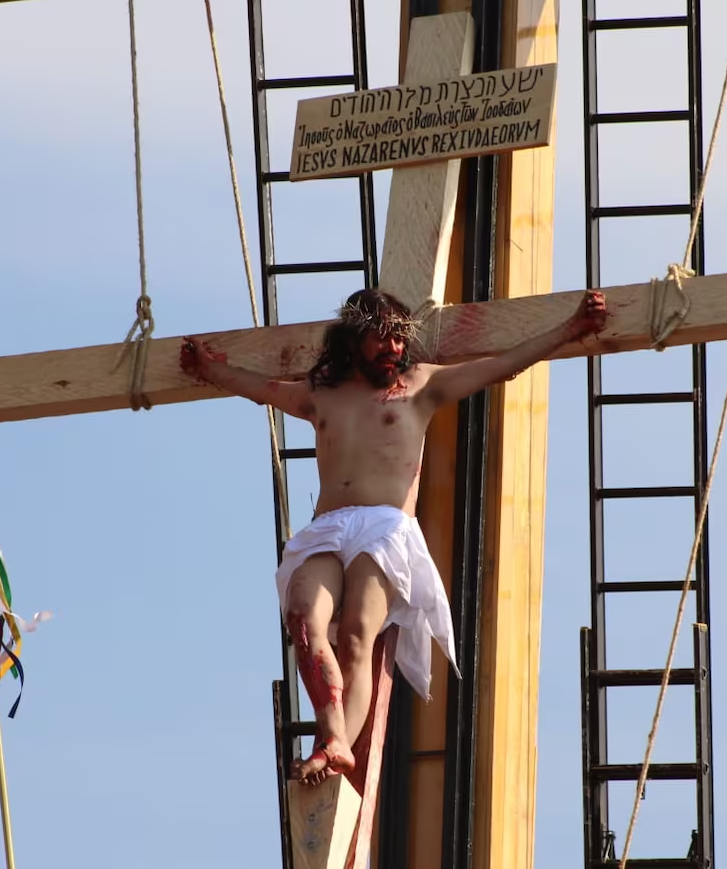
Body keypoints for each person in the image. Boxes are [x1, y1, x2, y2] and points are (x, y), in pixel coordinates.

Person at [180, 287, 607, 785]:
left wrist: (570, 329)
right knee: (302, 619)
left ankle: (334, 742)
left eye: (400, 341)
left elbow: (505, 364)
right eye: (382, 339)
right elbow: (262, 388)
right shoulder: (322, 394)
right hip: (328, 526)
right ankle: (333, 733)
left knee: (359, 635)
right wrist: (210, 370)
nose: (394, 350)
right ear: (354, 339)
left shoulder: (418, 387)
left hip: (384, 527)